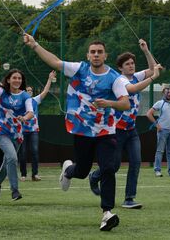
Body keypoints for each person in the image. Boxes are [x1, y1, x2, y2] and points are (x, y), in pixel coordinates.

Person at [24, 34, 129, 232]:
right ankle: (68, 170)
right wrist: (35, 45)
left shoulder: (115, 78)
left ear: (105, 55)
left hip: (106, 131)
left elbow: (125, 103)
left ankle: (107, 213)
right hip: (81, 129)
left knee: (108, 168)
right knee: (82, 171)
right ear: (88, 56)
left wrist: (109, 103)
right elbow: (54, 61)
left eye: (100, 52)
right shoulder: (79, 69)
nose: (96, 55)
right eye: (93, 52)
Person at [89, 39, 161, 210]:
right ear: (121, 67)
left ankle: (129, 198)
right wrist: (152, 78)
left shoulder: (136, 76)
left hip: (131, 130)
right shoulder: (119, 80)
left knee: (136, 162)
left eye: (133, 63)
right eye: (127, 64)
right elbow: (133, 89)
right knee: (113, 166)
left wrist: (146, 50)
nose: (131, 66)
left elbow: (152, 68)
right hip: (117, 130)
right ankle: (95, 176)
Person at [0, 59, 34, 201]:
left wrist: (25, 118)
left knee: (8, 160)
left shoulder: (25, 95)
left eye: (19, 78)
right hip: (1, 131)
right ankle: (15, 190)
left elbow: (30, 112)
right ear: (8, 80)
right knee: (13, 158)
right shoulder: (2, 92)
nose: (17, 80)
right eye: (14, 78)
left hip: (17, 133)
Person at [19, 70, 56, 182]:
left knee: (35, 151)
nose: (30, 92)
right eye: (27, 90)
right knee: (23, 153)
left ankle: (35, 174)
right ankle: (23, 174)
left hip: (34, 130)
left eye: (31, 90)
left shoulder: (35, 100)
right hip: (22, 131)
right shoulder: (20, 102)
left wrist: (49, 79)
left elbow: (45, 91)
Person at [146, 87, 170, 177]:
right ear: (163, 93)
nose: (169, 94)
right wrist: (157, 125)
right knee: (160, 151)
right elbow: (149, 114)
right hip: (162, 130)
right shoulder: (160, 103)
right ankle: (157, 170)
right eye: (167, 92)